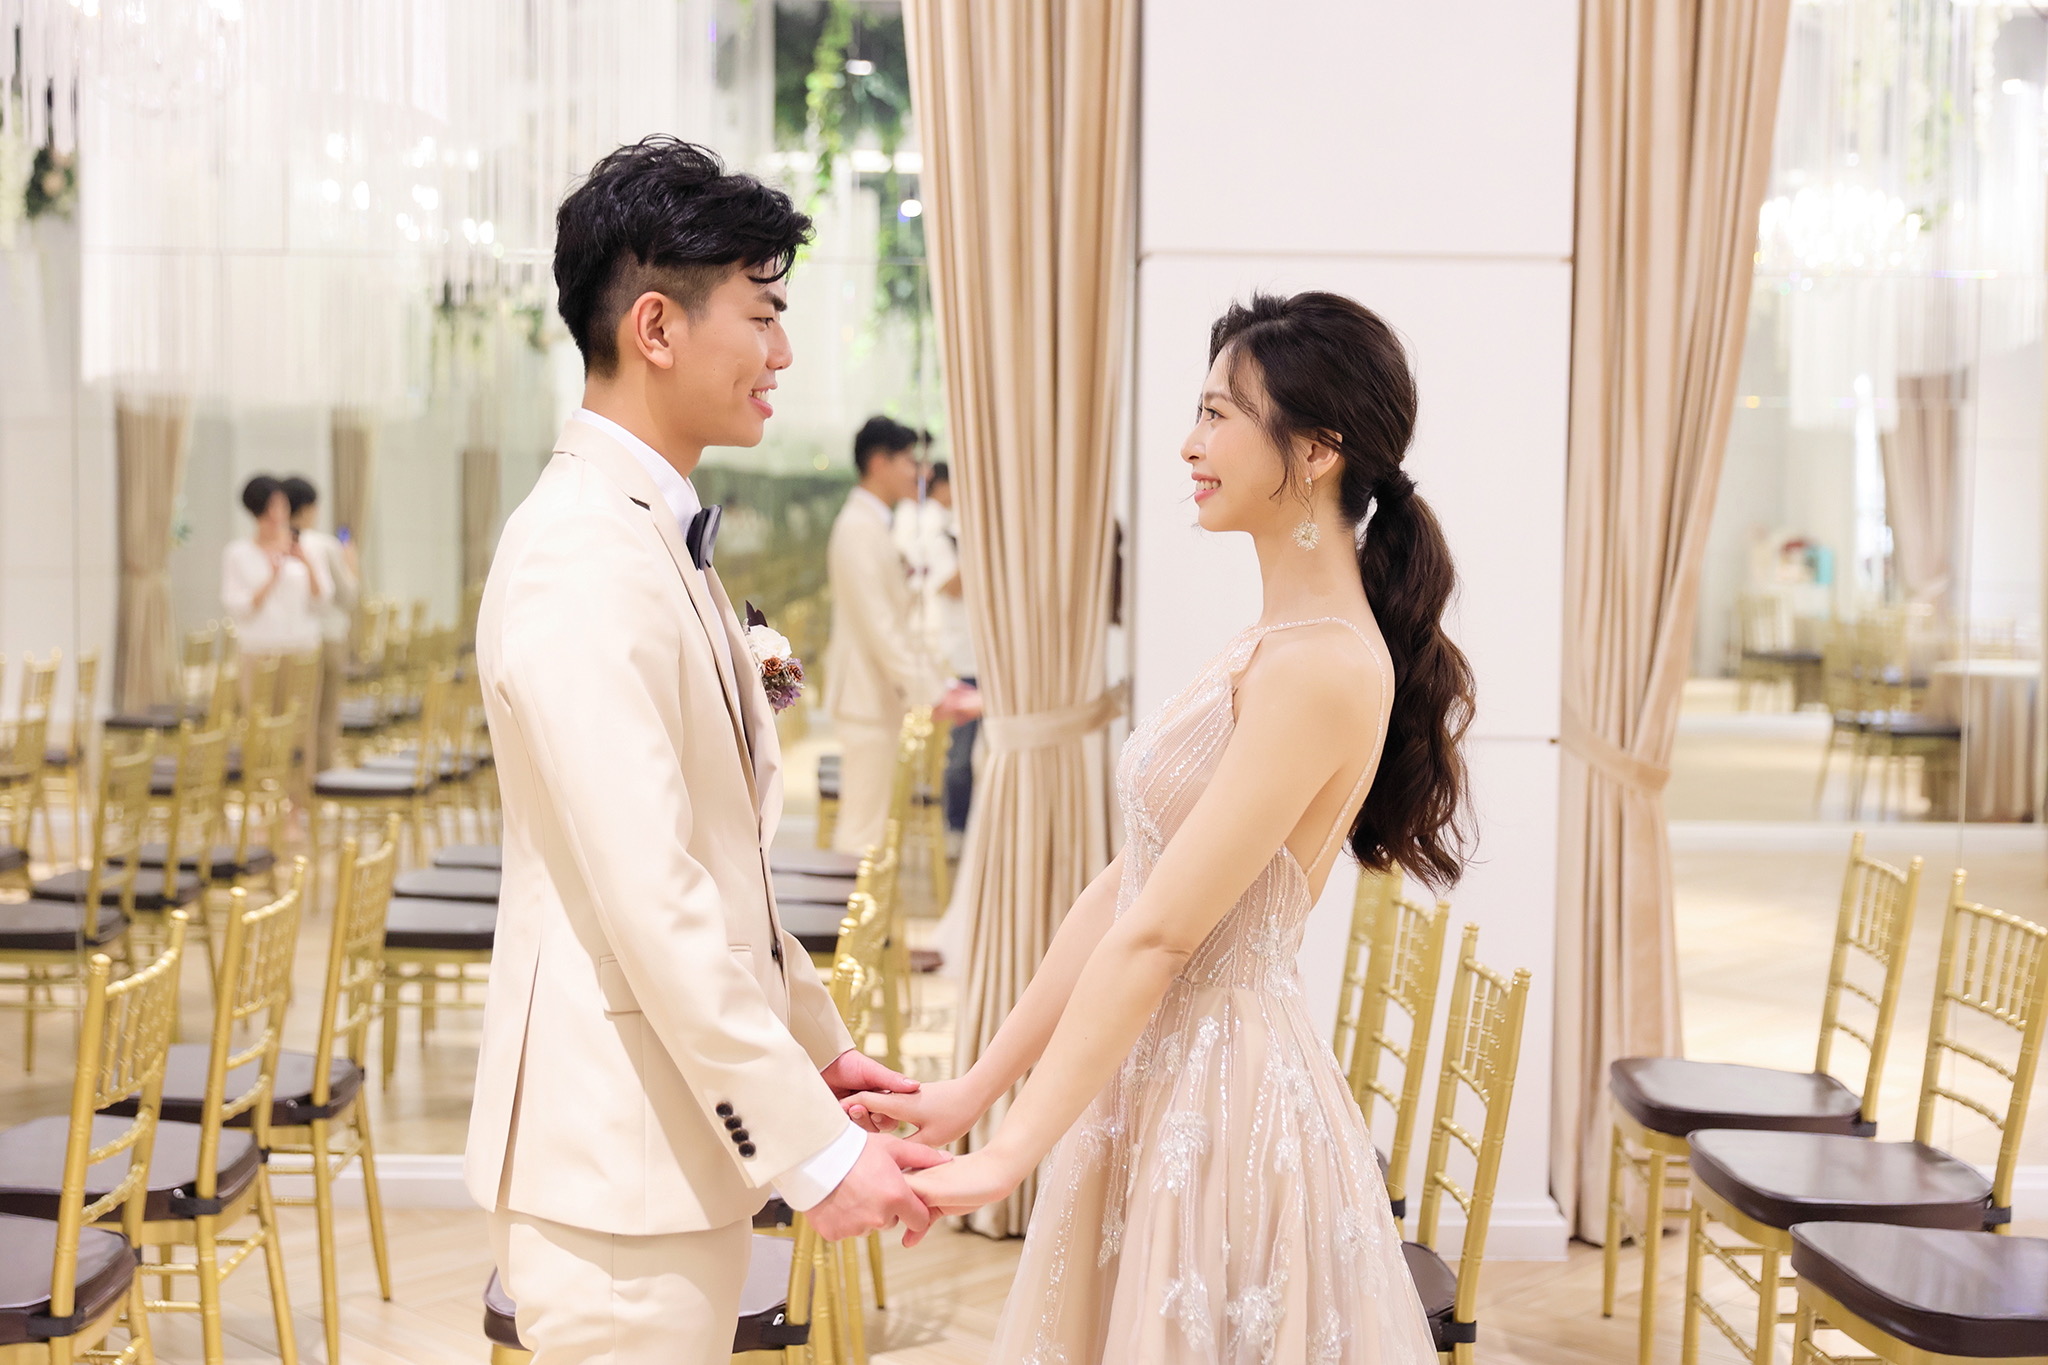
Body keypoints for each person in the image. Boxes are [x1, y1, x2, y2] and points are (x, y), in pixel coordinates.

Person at [852, 292, 1474, 1362]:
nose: (1190, 444)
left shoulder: (1323, 664)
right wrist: (973, 1091)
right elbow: (1127, 889)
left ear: (1316, 450)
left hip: (1225, 1099)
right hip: (1162, 1073)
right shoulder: (1273, 641)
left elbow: (1158, 935)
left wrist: (1007, 1154)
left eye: (1218, 414)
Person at [464, 137, 946, 1365]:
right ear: (657, 328)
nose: (782, 355)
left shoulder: (642, 529)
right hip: (617, 1168)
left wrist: (818, 1047)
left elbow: (717, 864)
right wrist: (813, 1152)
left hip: (660, 1147)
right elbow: (652, 895)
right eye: (763, 315)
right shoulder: (582, 552)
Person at [824, 416, 954, 855]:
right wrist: (933, 693)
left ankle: (867, 903)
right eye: (910, 462)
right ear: (879, 463)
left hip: (875, 696)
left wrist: (934, 687)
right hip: (865, 697)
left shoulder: (874, 524)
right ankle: (853, 904)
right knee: (862, 831)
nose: (922, 472)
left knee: (873, 828)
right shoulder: (857, 528)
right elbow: (881, 626)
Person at [902, 462, 978, 833]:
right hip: (958, 654)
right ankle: (955, 825)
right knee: (960, 754)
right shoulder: (938, 531)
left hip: (975, 653)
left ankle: (964, 823)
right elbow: (950, 585)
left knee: (974, 752)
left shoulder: (951, 526)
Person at [221, 474, 328, 710]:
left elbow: (322, 600)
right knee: (258, 719)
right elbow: (237, 606)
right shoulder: (238, 553)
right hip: (258, 650)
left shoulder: (306, 546)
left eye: (281, 506)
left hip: (302, 649)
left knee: (300, 721)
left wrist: (306, 563)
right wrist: (272, 578)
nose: (276, 514)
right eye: (269, 508)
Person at [281, 476, 358, 770]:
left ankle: (297, 776)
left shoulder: (277, 543)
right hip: (328, 636)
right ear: (309, 507)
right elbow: (348, 597)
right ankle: (322, 772)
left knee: (298, 712)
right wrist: (351, 565)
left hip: (291, 639)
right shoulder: (325, 545)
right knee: (325, 712)